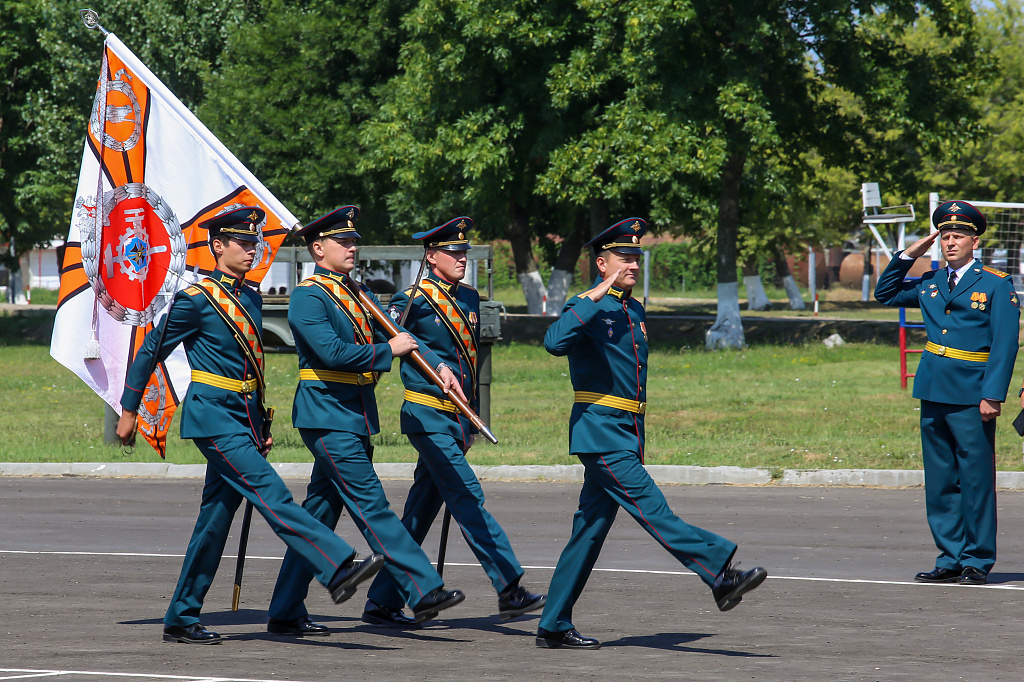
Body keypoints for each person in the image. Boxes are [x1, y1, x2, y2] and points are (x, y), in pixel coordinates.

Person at [116, 206, 384, 645]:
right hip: (212, 419)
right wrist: (129, 410)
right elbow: (151, 350)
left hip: (243, 420)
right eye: (242, 242)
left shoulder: (252, 297)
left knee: (214, 522)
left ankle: (181, 617)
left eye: (254, 241)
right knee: (271, 492)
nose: (251, 248)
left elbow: (252, 370)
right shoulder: (197, 300)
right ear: (217, 246)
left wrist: (259, 423)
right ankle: (335, 564)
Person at [536, 217, 767, 650]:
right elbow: (553, 342)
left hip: (626, 431)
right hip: (600, 433)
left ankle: (552, 623)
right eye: (624, 258)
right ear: (602, 262)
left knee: (588, 532)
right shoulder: (586, 304)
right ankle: (719, 573)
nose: (633, 265)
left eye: (636, 258)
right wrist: (597, 291)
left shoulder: (633, 309)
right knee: (654, 509)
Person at [266, 206, 466, 634]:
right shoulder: (308, 296)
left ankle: (285, 610)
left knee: (320, 512)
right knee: (372, 505)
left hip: (353, 416)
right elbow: (333, 353)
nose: (353, 247)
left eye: (355, 241)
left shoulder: (357, 293)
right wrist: (386, 353)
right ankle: (422, 588)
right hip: (326, 415)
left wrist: (437, 365)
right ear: (318, 249)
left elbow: (399, 335)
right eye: (344, 241)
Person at [362, 217, 545, 628]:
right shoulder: (413, 299)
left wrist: (472, 419)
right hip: (426, 413)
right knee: (467, 494)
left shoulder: (470, 297)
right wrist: (436, 362)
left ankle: (383, 600)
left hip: (457, 418)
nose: (461, 258)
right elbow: (389, 331)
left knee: (419, 512)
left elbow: (471, 361)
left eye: (464, 252)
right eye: (452, 252)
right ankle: (509, 587)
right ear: (431, 256)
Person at [876, 200, 1020, 586]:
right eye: (944, 235)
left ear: (975, 241)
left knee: (974, 479)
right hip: (933, 390)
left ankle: (976, 559)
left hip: (973, 395)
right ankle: (950, 557)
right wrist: (910, 253)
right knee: (940, 482)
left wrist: (993, 395)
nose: (949, 242)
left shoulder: (995, 283)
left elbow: (1005, 344)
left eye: (957, 236)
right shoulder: (931, 281)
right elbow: (885, 294)